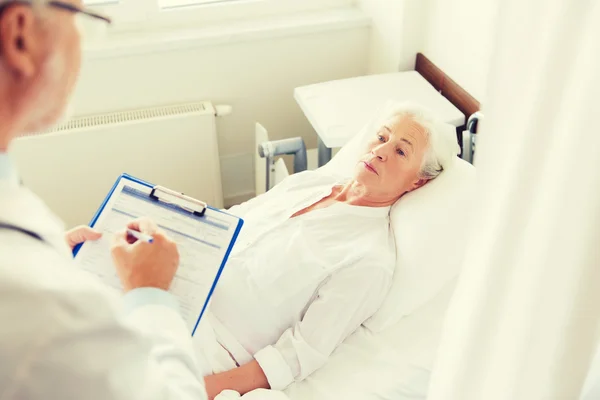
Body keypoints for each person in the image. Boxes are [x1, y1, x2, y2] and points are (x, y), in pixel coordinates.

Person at [0, 1, 208, 399]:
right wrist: (150, 293)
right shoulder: (41, 306)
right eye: (81, 21)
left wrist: (49, 258)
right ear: (20, 36)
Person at [199, 103, 459, 398]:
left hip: (210, 346)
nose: (381, 151)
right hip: (183, 291)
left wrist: (199, 390)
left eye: (401, 151)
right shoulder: (309, 183)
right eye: (382, 137)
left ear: (418, 181)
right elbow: (236, 218)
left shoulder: (369, 259)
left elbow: (297, 354)